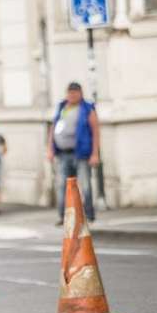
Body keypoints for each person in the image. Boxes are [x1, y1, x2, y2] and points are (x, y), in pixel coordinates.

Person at [48, 82, 99, 225]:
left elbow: (95, 131)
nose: (72, 95)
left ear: (80, 93)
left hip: (81, 153)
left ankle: (88, 214)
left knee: (85, 184)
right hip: (63, 153)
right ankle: (63, 216)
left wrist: (95, 153)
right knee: (62, 185)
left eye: (75, 93)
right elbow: (53, 128)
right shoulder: (62, 107)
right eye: (70, 92)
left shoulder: (86, 108)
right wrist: (50, 148)